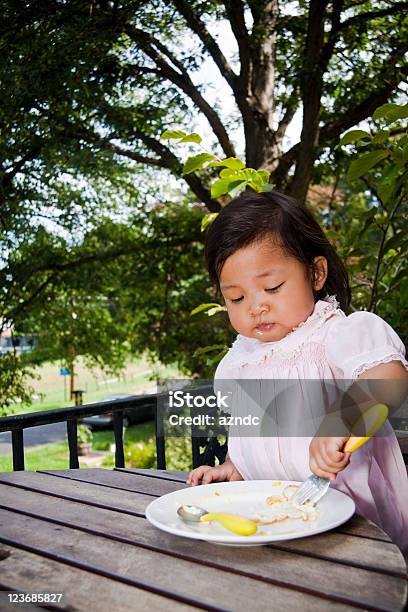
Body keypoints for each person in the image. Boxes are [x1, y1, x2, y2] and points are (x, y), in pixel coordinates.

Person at [187, 190, 408, 553]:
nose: (256, 307)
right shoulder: (238, 363)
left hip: (353, 522)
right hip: (277, 521)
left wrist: (341, 420)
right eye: (237, 298)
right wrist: (233, 467)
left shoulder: (334, 335)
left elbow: (390, 378)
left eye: (272, 287)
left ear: (316, 273)